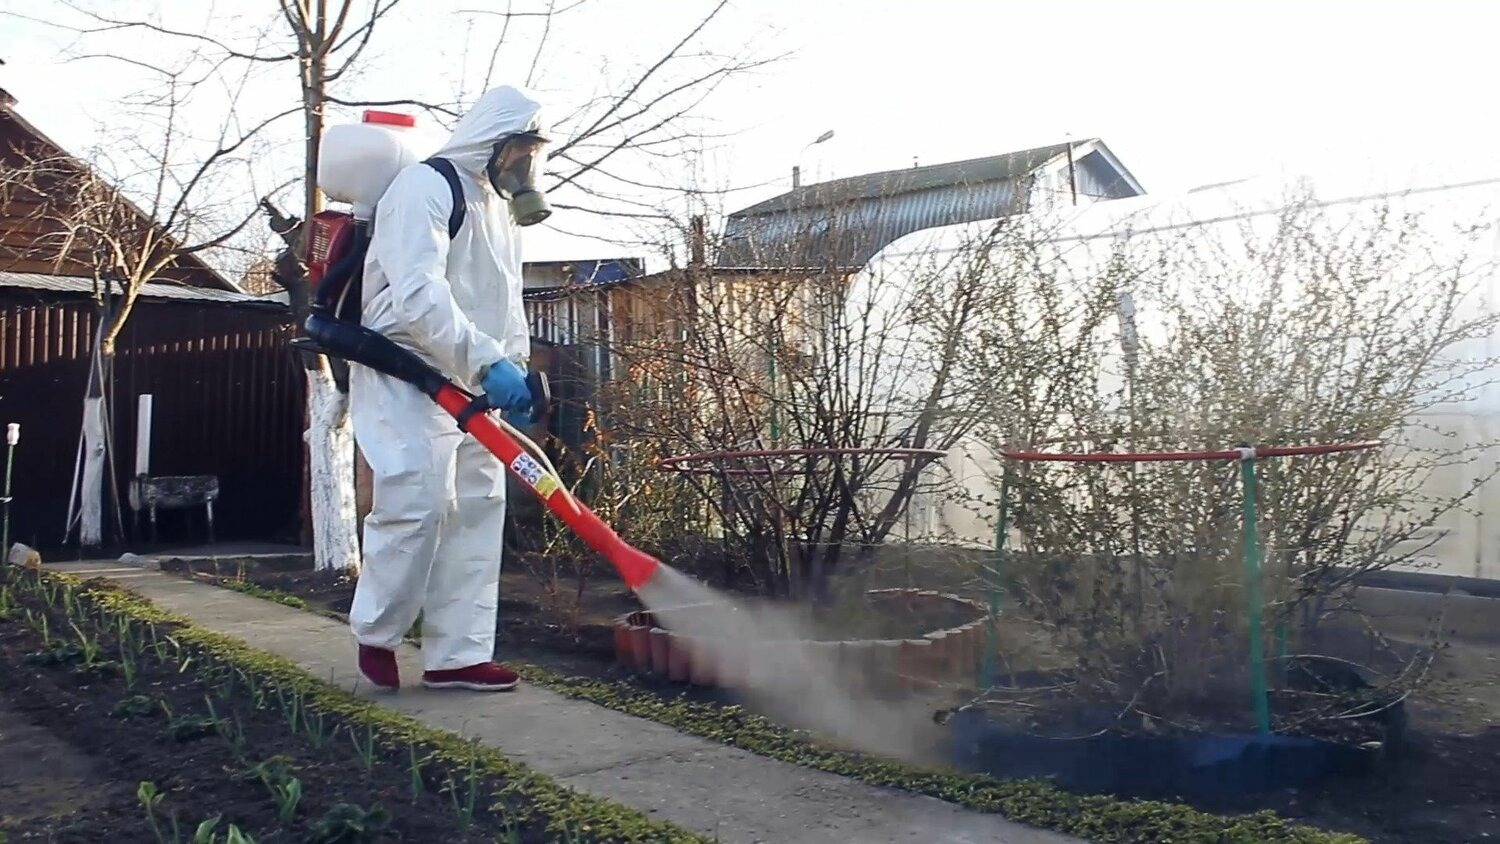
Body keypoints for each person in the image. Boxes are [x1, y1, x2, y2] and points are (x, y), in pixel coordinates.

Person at [347, 85, 551, 692]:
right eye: (519, 152)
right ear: (492, 141)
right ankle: (377, 634)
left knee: (479, 511)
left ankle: (457, 656)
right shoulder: (425, 187)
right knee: (419, 500)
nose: (526, 168)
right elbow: (417, 294)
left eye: (533, 155)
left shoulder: (497, 212)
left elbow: (502, 299)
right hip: (407, 366)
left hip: (476, 379)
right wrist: (486, 361)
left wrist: (510, 363)